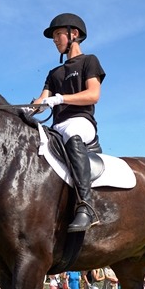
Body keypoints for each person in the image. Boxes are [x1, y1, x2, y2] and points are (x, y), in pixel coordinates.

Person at [33, 13, 106, 232]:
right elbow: (42, 101)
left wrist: (62, 98)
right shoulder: (54, 72)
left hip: (81, 121)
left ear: (73, 34)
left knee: (71, 133)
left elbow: (93, 95)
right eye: (54, 36)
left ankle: (85, 206)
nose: (55, 40)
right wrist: (25, 109)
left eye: (57, 35)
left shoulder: (89, 61)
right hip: (56, 126)